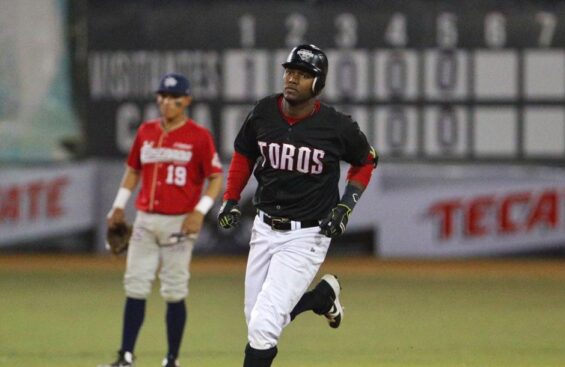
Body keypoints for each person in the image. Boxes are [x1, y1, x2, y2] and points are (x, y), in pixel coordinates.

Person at [217, 44, 377, 367]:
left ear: (318, 83)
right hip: (264, 227)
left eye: (303, 75)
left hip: (308, 233)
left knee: (263, 326)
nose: (292, 79)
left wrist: (346, 206)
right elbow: (244, 153)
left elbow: (367, 160)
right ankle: (321, 298)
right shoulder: (264, 112)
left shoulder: (335, 126)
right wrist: (231, 198)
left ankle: (320, 298)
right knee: (256, 319)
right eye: (290, 71)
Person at [99, 73, 223, 367]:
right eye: (163, 96)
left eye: (174, 97)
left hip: (180, 222)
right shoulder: (146, 131)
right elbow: (133, 170)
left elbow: (215, 178)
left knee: (174, 289)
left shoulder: (199, 136)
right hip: (144, 219)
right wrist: (118, 206)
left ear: (187, 100)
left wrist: (200, 211)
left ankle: (172, 359)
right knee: (135, 285)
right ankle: (125, 357)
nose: (167, 102)